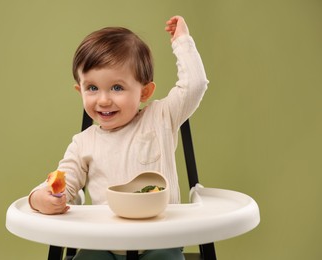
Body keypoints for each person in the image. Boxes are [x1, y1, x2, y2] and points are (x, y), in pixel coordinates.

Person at [29, 15, 208, 260]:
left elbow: (195, 85)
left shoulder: (161, 118)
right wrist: (40, 198)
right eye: (92, 88)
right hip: (104, 243)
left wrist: (182, 42)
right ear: (79, 91)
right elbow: (63, 182)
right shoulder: (83, 143)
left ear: (144, 91)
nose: (103, 100)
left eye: (117, 87)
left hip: (160, 240)